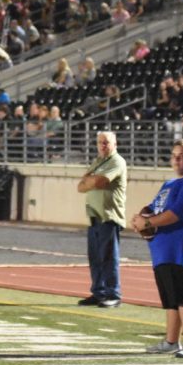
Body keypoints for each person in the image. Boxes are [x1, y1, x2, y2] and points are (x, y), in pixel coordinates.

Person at [131, 139, 183, 359]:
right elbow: (155, 207)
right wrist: (141, 216)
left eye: (182, 155)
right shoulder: (170, 184)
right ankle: (171, 341)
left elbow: (174, 214)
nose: (176, 159)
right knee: (171, 299)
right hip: (163, 249)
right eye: (174, 155)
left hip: (181, 249)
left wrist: (147, 223)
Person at [76, 131, 127, 308]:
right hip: (94, 216)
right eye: (100, 142)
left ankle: (114, 293)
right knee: (95, 258)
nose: (103, 146)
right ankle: (99, 292)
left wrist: (90, 180)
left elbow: (100, 182)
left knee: (108, 257)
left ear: (114, 144)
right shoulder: (98, 161)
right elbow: (80, 186)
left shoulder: (116, 161)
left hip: (109, 216)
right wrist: (91, 180)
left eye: (106, 142)